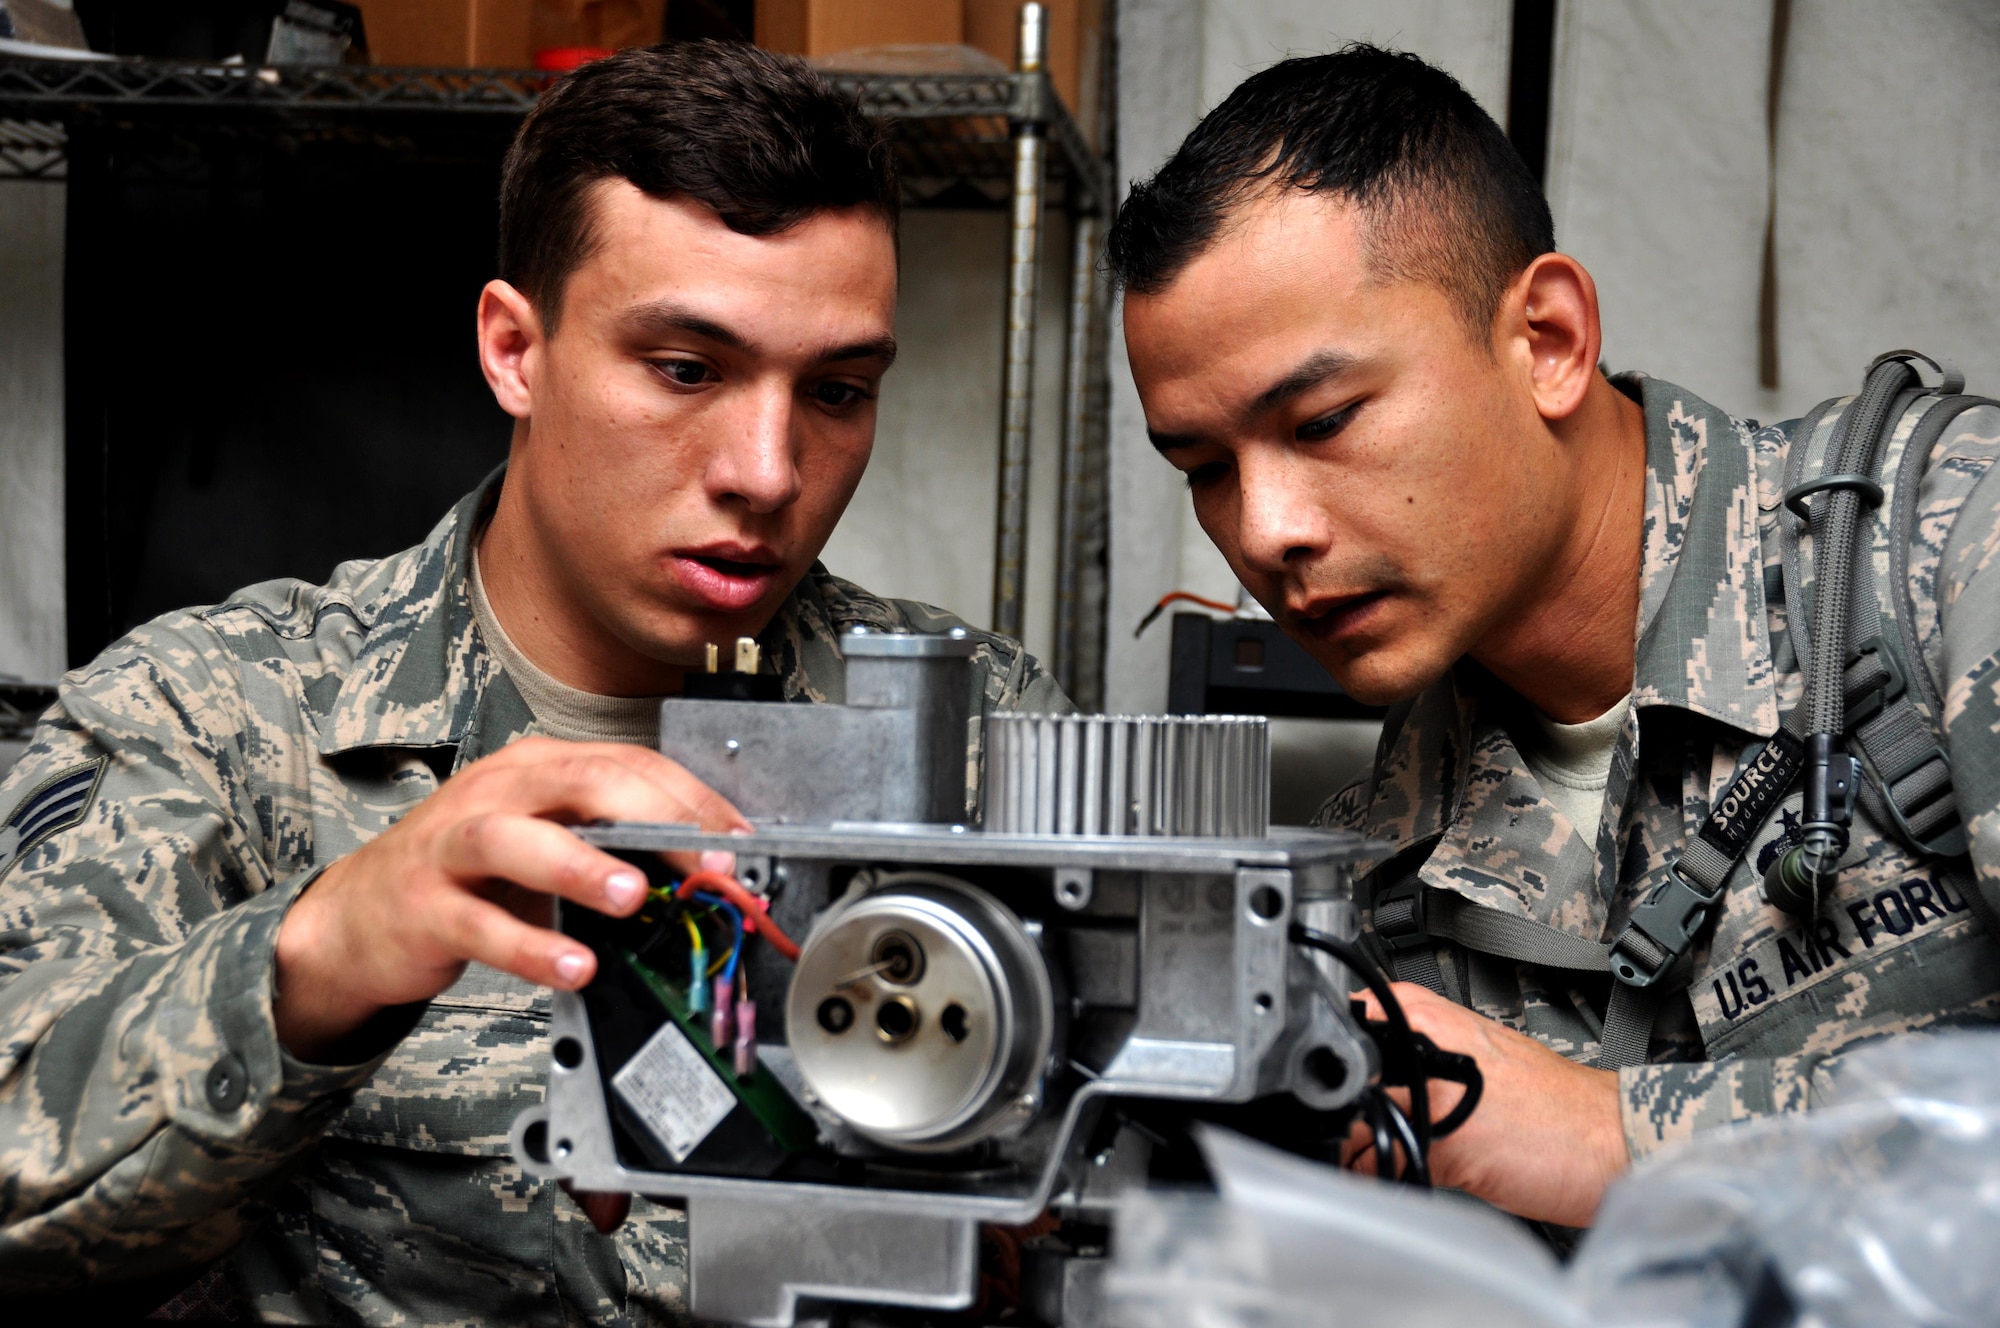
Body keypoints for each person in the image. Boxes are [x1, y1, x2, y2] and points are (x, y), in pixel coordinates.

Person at [0, 42, 1068, 1321]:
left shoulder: (980, 733)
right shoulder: (218, 720)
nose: (769, 471)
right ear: (516, 348)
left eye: (836, 390)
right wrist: (318, 954)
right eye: (686, 369)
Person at [1110, 45, 2000, 1232]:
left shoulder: (1940, 554)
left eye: (1321, 420)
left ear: (1546, 339)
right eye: (1204, 469)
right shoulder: (1378, 885)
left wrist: (1600, 1136)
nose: (1264, 530)